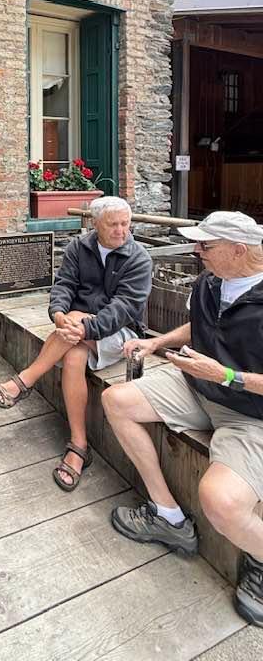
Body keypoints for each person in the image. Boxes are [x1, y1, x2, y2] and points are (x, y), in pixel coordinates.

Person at [103, 210, 263, 627]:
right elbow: (199, 325)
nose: (197, 251)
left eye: (206, 245)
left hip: (250, 414)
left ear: (239, 250)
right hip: (198, 387)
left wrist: (226, 376)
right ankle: (168, 515)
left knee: (222, 502)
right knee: (116, 400)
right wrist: (156, 343)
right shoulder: (211, 281)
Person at [0, 196, 152, 491]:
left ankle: (26, 380)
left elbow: (124, 309)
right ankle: (79, 444)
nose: (121, 230)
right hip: (76, 330)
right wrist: (58, 314)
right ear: (95, 223)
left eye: (125, 224)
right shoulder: (79, 247)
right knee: (74, 356)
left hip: (123, 333)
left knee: (76, 326)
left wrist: (84, 326)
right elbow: (64, 284)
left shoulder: (138, 258)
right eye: (112, 224)